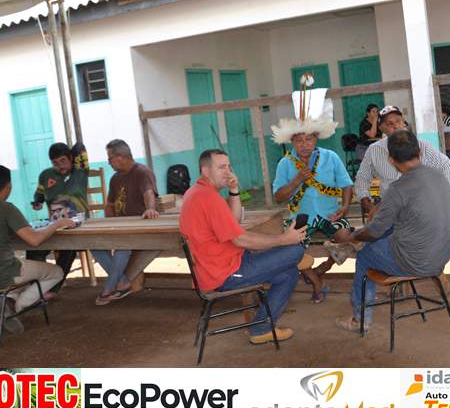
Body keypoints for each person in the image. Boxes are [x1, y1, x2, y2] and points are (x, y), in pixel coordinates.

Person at [181, 149, 307, 344]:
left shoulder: (199, 192)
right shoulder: (207, 197)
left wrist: (234, 190)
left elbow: (234, 222)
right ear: (205, 171)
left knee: (289, 273)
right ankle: (293, 258)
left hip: (226, 263)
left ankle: (260, 329)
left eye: (229, 167)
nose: (228, 172)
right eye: (221, 167)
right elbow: (240, 239)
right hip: (224, 274)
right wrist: (283, 240)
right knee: (295, 249)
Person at [335, 130, 450, 331]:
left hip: (415, 263)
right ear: (419, 151)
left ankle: (360, 319)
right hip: (441, 257)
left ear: (391, 160)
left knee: (364, 254)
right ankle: (350, 248)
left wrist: (351, 236)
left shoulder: (398, 188)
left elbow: (374, 231)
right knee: (388, 232)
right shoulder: (439, 176)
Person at [0, 165, 74, 333]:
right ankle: (14, 307)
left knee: (21, 270)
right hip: (3, 274)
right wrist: (58, 224)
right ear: (8, 186)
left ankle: (7, 301)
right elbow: (34, 240)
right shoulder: (6, 208)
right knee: (56, 272)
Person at [271, 83, 356, 303]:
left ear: (316, 138)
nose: (304, 144)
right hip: (301, 218)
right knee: (290, 250)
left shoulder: (330, 157)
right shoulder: (285, 163)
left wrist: (345, 207)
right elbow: (278, 198)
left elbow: (347, 184)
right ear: (292, 141)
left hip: (330, 214)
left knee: (348, 238)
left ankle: (324, 268)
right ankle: (316, 282)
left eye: (309, 139)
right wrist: (297, 179)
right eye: (299, 140)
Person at [355, 105, 450, 220]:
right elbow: (362, 177)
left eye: (398, 121)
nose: (396, 126)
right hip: (390, 208)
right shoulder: (374, 150)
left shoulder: (421, 145)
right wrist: (367, 203)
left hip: (420, 207)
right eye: (389, 124)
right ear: (381, 128)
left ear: (404, 123)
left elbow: (449, 168)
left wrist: (439, 195)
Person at [91, 139, 160, 305]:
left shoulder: (142, 172)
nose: (108, 162)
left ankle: (108, 289)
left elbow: (149, 194)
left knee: (123, 247)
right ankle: (122, 282)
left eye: (110, 158)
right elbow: (110, 205)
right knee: (94, 245)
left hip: (139, 228)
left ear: (121, 157)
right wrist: (109, 227)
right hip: (121, 228)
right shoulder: (115, 178)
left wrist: (150, 209)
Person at [27, 142, 89, 289]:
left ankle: (52, 288)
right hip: (54, 224)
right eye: (55, 162)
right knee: (33, 248)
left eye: (63, 160)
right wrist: (38, 202)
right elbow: (39, 193)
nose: (60, 165)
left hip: (77, 223)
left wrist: (72, 156)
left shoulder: (80, 171)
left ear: (71, 158)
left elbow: (80, 146)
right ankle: (36, 286)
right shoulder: (46, 175)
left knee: (68, 248)